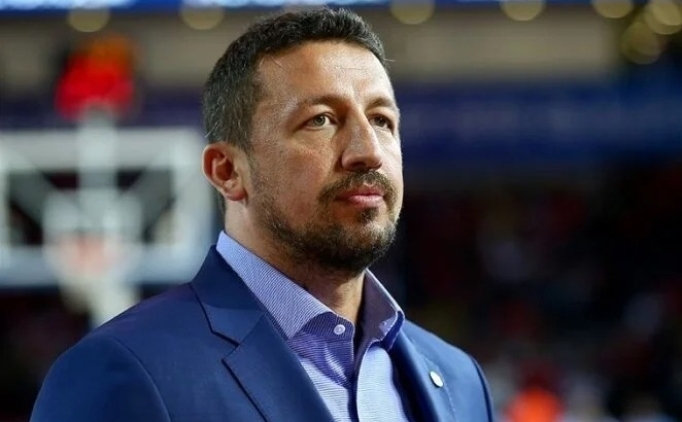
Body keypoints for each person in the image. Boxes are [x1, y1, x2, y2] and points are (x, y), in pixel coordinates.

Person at [30, 8, 494, 422]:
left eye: (381, 120)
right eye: (321, 120)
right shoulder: (121, 370)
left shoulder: (460, 379)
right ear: (228, 171)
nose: (368, 151)